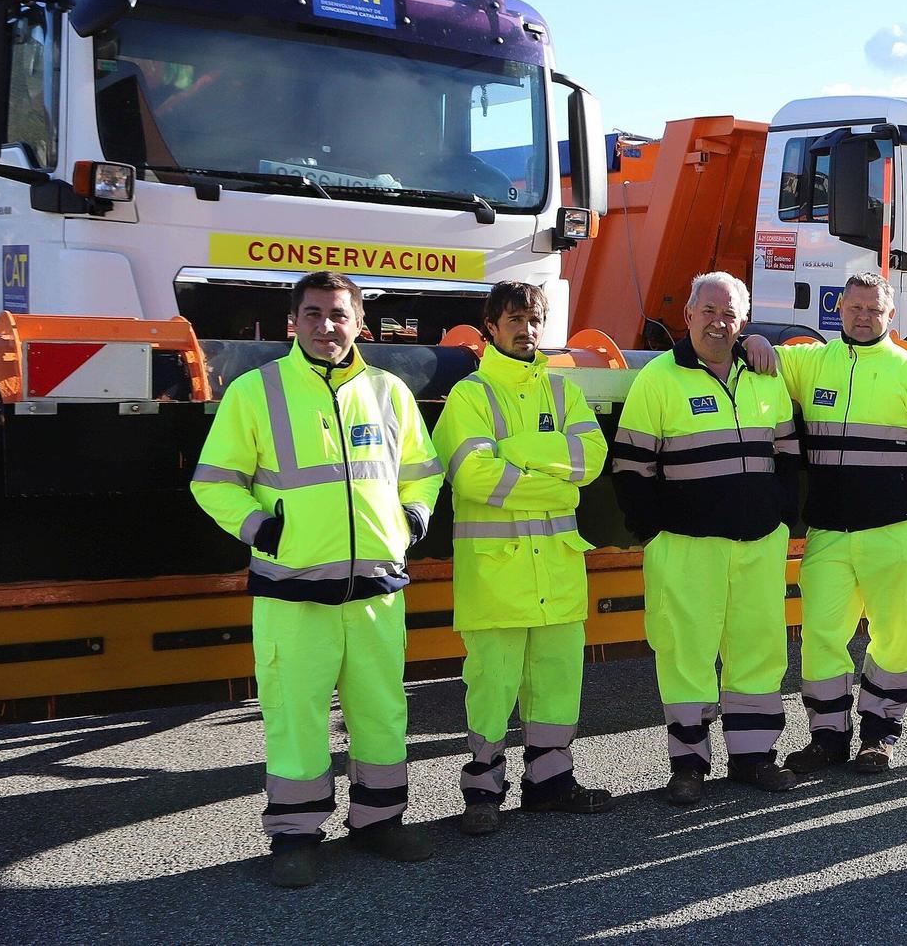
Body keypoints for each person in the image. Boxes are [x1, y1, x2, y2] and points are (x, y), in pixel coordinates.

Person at [190, 271, 445, 886]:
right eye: (312, 314)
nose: (326, 326)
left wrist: (413, 517)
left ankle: (379, 821)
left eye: (338, 314)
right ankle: (296, 835)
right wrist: (260, 529)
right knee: (295, 715)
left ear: (360, 324)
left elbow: (423, 472)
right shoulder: (256, 391)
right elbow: (212, 481)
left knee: (381, 711)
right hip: (292, 591)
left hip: (376, 593)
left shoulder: (390, 392)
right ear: (292, 322)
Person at [740, 272, 907, 773]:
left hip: (894, 532)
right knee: (820, 635)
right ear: (839, 308)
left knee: (893, 637)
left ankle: (879, 738)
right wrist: (752, 337)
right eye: (855, 307)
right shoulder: (811, 363)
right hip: (829, 535)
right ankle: (828, 737)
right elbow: (756, 356)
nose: (864, 317)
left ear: (890, 316)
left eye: (874, 310)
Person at [611, 272, 802, 805]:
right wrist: (654, 529)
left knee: (759, 652)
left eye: (730, 314)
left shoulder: (765, 376)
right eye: (709, 311)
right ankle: (689, 766)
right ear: (689, 315)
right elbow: (630, 467)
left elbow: (788, 453)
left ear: (743, 322)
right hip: (686, 546)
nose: (719, 322)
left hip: (758, 544)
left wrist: (779, 512)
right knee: (685, 654)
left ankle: (753, 758)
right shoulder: (660, 378)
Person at [433, 281, 612, 836]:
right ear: (490, 325)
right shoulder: (470, 396)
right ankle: (483, 791)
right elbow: (473, 474)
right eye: (513, 319)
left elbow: (593, 458)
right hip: (497, 576)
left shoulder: (563, 393)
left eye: (534, 319)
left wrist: (517, 454)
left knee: (557, 681)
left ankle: (550, 783)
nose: (526, 328)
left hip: (556, 570)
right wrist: (556, 485)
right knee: (492, 687)